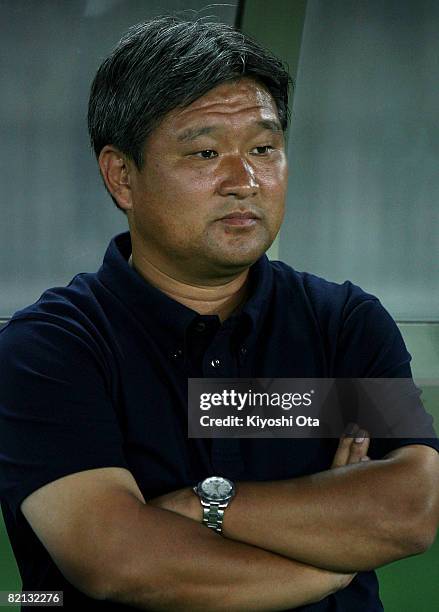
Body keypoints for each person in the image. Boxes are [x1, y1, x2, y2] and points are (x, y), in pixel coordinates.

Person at [0, 15, 438, 612]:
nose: (246, 180)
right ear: (121, 176)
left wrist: (209, 503)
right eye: (205, 152)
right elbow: (120, 559)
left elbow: (412, 508)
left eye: (264, 148)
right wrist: (330, 569)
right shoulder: (50, 350)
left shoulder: (344, 323)